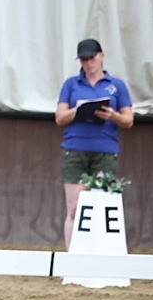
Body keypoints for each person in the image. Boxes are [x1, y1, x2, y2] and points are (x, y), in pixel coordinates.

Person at [54, 38, 134, 247]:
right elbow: (59, 118)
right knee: (74, 208)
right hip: (75, 149)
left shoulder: (116, 86)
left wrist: (113, 115)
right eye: (84, 59)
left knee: (103, 204)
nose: (88, 63)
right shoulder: (71, 84)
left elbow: (128, 120)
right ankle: (72, 256)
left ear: (102, 56)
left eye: (92, 58)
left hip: (105, 150)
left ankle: (102, 252)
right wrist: (78, 109)